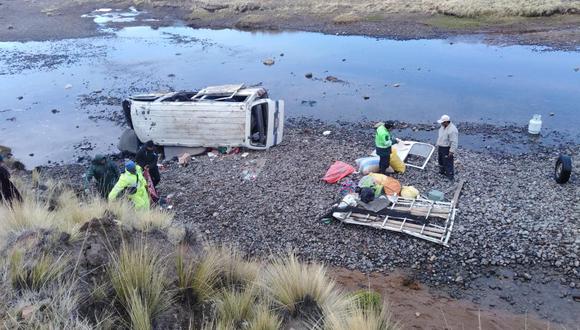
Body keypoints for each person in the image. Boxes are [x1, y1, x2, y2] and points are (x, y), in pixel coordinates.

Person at [436, 114, 459, 180]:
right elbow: (441, 136)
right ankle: (442, 171)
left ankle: (450, 176)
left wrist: (451, 151)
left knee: (448, 162)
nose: (441, 123)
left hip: (446, 148)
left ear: (446, 122)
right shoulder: (442, 127)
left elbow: (454, 142)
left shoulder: (452, 130)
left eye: (442, 122)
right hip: (441, 146)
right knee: (441, 160)